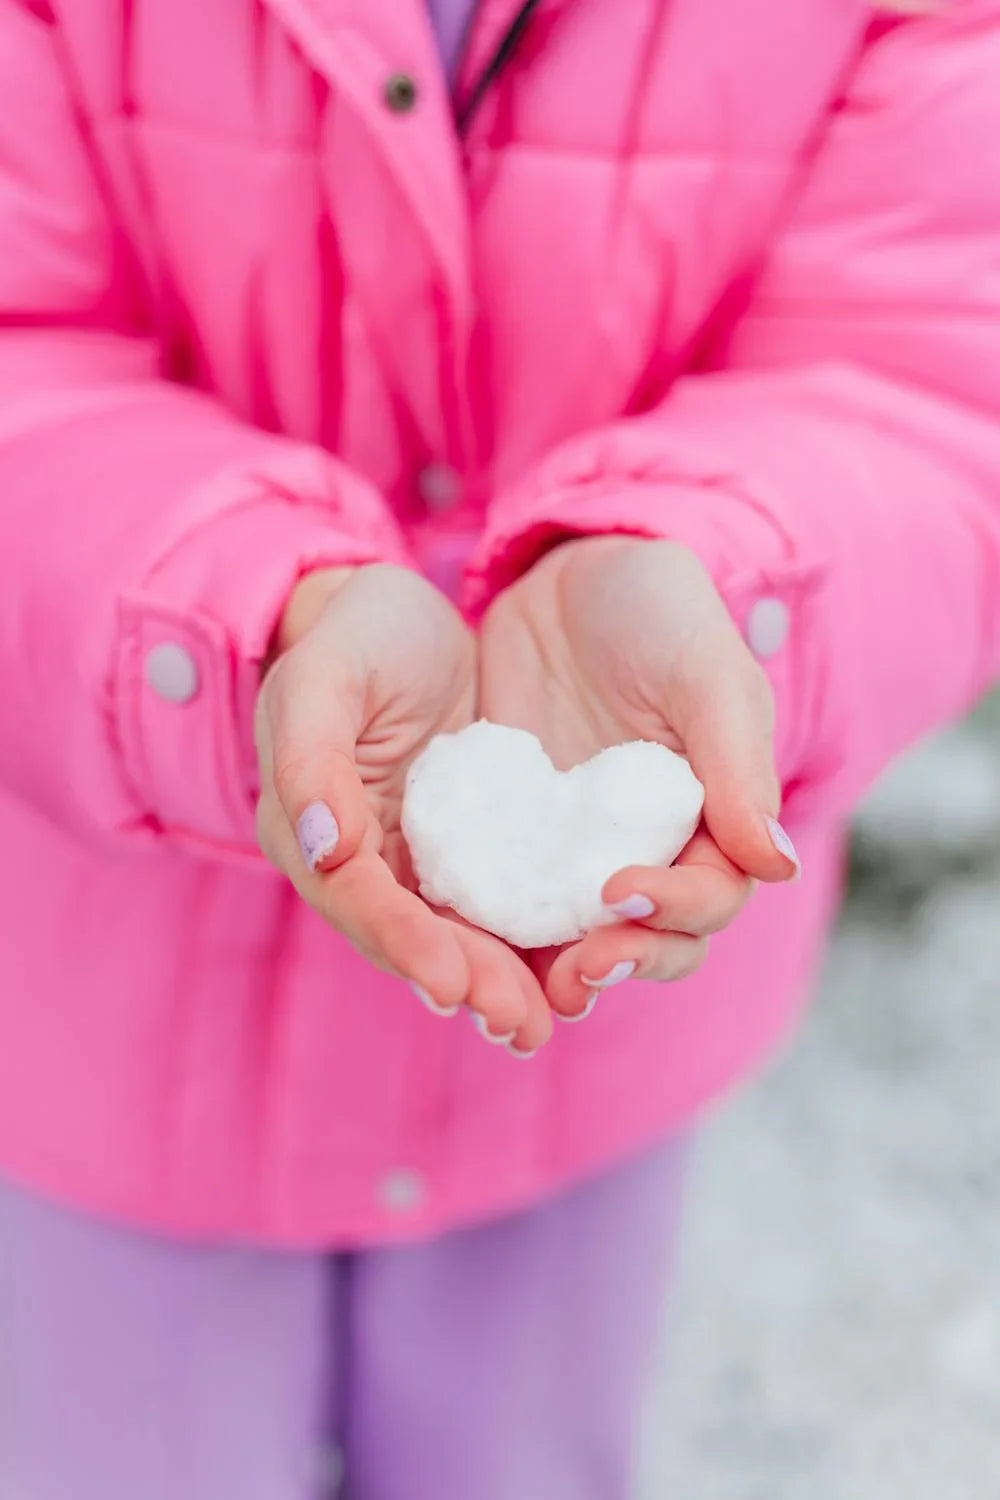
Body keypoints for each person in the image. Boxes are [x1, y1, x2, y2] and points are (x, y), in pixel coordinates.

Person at [1, 0, 998, 1495]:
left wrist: (728, 591)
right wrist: (247, 629)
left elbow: (936, 376)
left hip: (583, 1072)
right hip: (98, 1034)